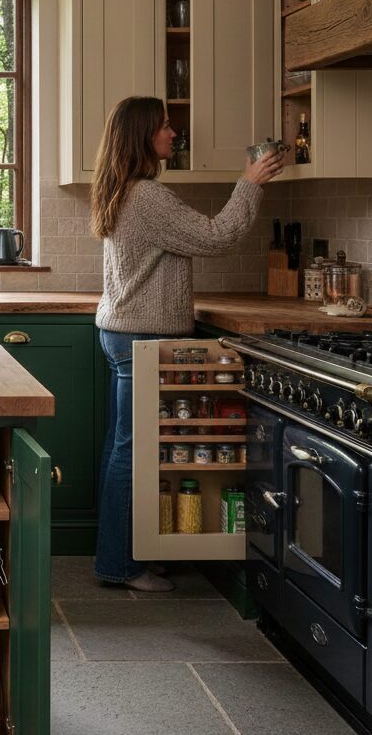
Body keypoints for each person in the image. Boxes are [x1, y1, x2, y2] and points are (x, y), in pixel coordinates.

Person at [90, 96, 283, 591]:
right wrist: (250, 182)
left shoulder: (123, 189)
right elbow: (218, 236)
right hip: (142, 335)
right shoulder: (149, 198)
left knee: (121, 448)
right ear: (143, 136)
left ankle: (122, 557)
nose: (174, 134)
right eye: (165, 126)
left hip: (121, 331)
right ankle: (121, 565)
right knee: (131, 453)